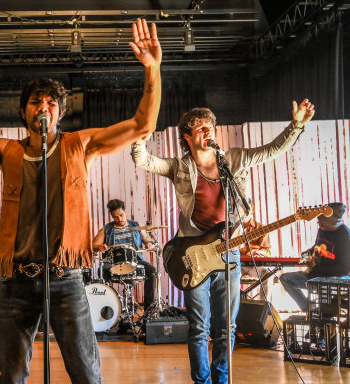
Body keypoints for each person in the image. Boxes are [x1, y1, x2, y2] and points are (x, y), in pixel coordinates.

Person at [0, 17, 161, 384]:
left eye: (52, 102)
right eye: (36, 101)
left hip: (66, 280)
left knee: (87, 374)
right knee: (12, 376)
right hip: (16, 280)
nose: (44, 105)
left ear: (59, 112)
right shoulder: (6, 151)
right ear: (23, 111)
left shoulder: (80, 145)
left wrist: (152, 70)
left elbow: (142, 124)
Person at [131, 101, 315, 384]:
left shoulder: (235, 160)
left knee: (227, 326)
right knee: (199, 326)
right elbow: (145, 160)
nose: (208, 131)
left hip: (229, 254)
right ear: (188, 137)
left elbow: (273, 150)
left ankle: (222, 380)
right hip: (193, 254)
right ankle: (202, 381)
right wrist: (139, 136)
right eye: (201, 128)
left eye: (211, 126)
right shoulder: (180, 167)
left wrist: (297, 125)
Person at [280, 202, 350, 312]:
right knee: (286, 279)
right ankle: (308, 310)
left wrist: (315, 268)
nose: (319, 224)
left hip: (336, 280)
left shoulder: (345, 236)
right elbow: (319, 245)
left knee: (320, 286)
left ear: (333, 224)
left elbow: (344, 270)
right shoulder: (322, 229)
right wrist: (310, 251)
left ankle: (323, 318)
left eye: (322, 223)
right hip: (316, 275)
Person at [92, 199, 157, 311]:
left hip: (134, 260)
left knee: (151, 271)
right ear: (111, 216)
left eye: (121, 215)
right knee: (102, 271)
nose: (119, 219)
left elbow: (147, 240)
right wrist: (99, 247)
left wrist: (149, 245)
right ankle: (108, 309)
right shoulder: (107, 229)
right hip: (112, 261)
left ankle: (148, 310)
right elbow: (93, 245)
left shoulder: (136, 225)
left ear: (125, 212)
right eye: (115, 217)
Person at [239, 204, 272, 300]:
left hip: (254, 265)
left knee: (267, 275)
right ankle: (234, 307)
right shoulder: (232, 229)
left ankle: (263, 307)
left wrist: (259, 254)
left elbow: (267, 250)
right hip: (237, 265)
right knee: (226, 276)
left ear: (251, 211)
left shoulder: (261, 228)